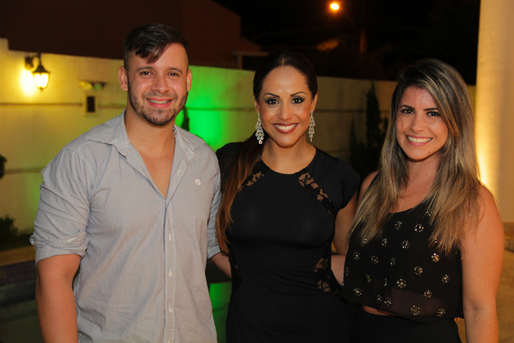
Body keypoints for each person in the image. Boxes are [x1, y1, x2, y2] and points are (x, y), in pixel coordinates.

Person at [30, 23, 220, 342]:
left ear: (187, 81)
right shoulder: (80, 161)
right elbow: (53, 279)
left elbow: (213, 243)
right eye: (146, 72)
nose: (161, 86)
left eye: (173, 73)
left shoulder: (204, 159)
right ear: (124, 78)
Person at [342, 58, 504, 343]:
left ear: (455, 120)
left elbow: (480, 309)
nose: (417, 126)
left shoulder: (471, 201)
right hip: (362, 333)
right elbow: (358, 270)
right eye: (408, 111)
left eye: (433, 113)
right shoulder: (373, 186)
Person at [210, 51, 360, 342]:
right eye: (272, 100)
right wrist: (255, 275)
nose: (285, 114)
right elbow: (205, 240)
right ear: (257, 104)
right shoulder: (229, 163)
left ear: (314, 102)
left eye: (297, 99)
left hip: (323, 328)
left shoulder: (338, 177)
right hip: (248, 330)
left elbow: (349, 258)